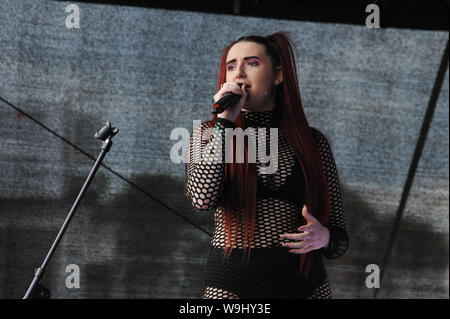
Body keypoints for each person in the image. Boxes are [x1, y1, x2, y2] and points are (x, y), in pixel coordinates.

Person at [185, 31, 349, 299]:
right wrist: (224, 123)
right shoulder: (207, 133)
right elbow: (202, 199)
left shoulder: (312, 142)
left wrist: (325, 237)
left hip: (304, 282)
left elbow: (340, 237)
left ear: (278, 75)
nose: (238, 73)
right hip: (232, 282)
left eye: (251, 63)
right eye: (231, 66)